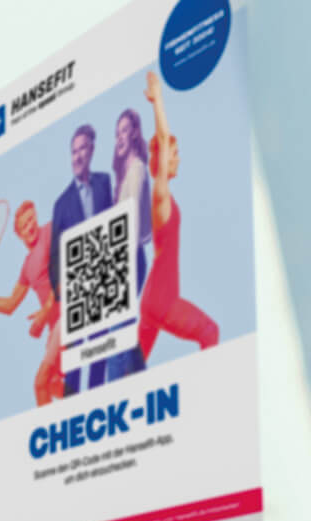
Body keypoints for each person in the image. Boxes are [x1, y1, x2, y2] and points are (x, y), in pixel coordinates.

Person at [48, 123, 144, 389]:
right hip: (77, 292)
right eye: (73, 151)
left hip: (104, 285)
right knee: (76, 359)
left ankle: (97, 399)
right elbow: (53, 260)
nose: (77, 157)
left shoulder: (104, 182)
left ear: (91, 151)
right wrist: (63, 293)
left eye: (82, 150)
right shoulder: (62, 204)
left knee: (102, 354)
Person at [138, 69, 220, 363]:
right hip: (163, 300)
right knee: (210, 332)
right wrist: (158, 100)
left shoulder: (163, 199)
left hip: (150, 302)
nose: (178, 158)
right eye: (175, 154)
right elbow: (162, 135)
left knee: (130, 374)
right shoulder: (160, 195)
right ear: (162, 159)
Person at [0, 201, 65, 407]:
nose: (30, 226)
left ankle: (50, 429)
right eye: (24, 226)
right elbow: (10, 305)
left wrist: (45, 313)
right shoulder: (27, 267)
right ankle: (82, 401)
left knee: (40, 383)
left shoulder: (50, 232)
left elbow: (65, 271)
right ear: (19, 235)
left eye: (31, 220)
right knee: (52, 383)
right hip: (55, 328)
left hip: (70, 316)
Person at [113, 106, 152, 284]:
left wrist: (126, 262)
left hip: (132, 256)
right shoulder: (125, 175)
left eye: (124, 131)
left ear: (134, 134)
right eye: (117, 133)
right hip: (125, 255)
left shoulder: (136, 169)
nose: (119, 138)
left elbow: (133, 216)